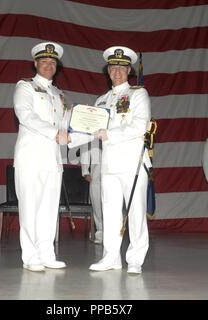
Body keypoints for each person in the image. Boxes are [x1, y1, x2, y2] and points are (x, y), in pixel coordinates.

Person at [69, 46, 152, 274]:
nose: (117, 71)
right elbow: (90, 131)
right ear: (108, 71)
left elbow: (139, 126)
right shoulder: (101, 100)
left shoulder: (138, 94)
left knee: (135, 211)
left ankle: (135, 258)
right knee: (110, 211)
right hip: (108, 164)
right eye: (113, 67)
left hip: (132, 162)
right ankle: (111, 257)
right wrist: (70, 138)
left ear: (129, 70)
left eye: (121, 67)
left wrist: (110, 134)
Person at [13, 41, 70, 272]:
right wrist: (55, 132)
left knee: (49, 208)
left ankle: (47, 253)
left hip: (53, 160)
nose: (48, 65)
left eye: (52, 62)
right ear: (35, 63)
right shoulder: (25, 87)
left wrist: (89, 125)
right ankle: (30, 255)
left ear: (57, 66)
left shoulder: (59, 94)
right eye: (44, 61)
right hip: (31, 157)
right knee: (30, 207)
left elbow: (66, 125)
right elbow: (26, 115)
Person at [80, 141, 103, 244]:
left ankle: (112, 234)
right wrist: (85, 171)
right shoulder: (93, 134)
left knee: (112, 206)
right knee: (97, 207)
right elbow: (85, 148)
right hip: (96, 176)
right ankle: (100, 233)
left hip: (113, 174)